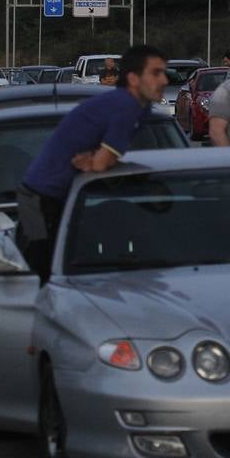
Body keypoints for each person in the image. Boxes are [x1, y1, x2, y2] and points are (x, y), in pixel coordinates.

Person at [17, 44, 168, 281]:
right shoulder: (126, 106)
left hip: (66, 197)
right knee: (39, 273)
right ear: (133, 79)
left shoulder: (142, 108)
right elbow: (101, 166)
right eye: (156, 73)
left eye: (164, 73)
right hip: (37, 200)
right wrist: (101, 160)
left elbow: (104, 162)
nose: (165, 80)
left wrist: (100, 159)